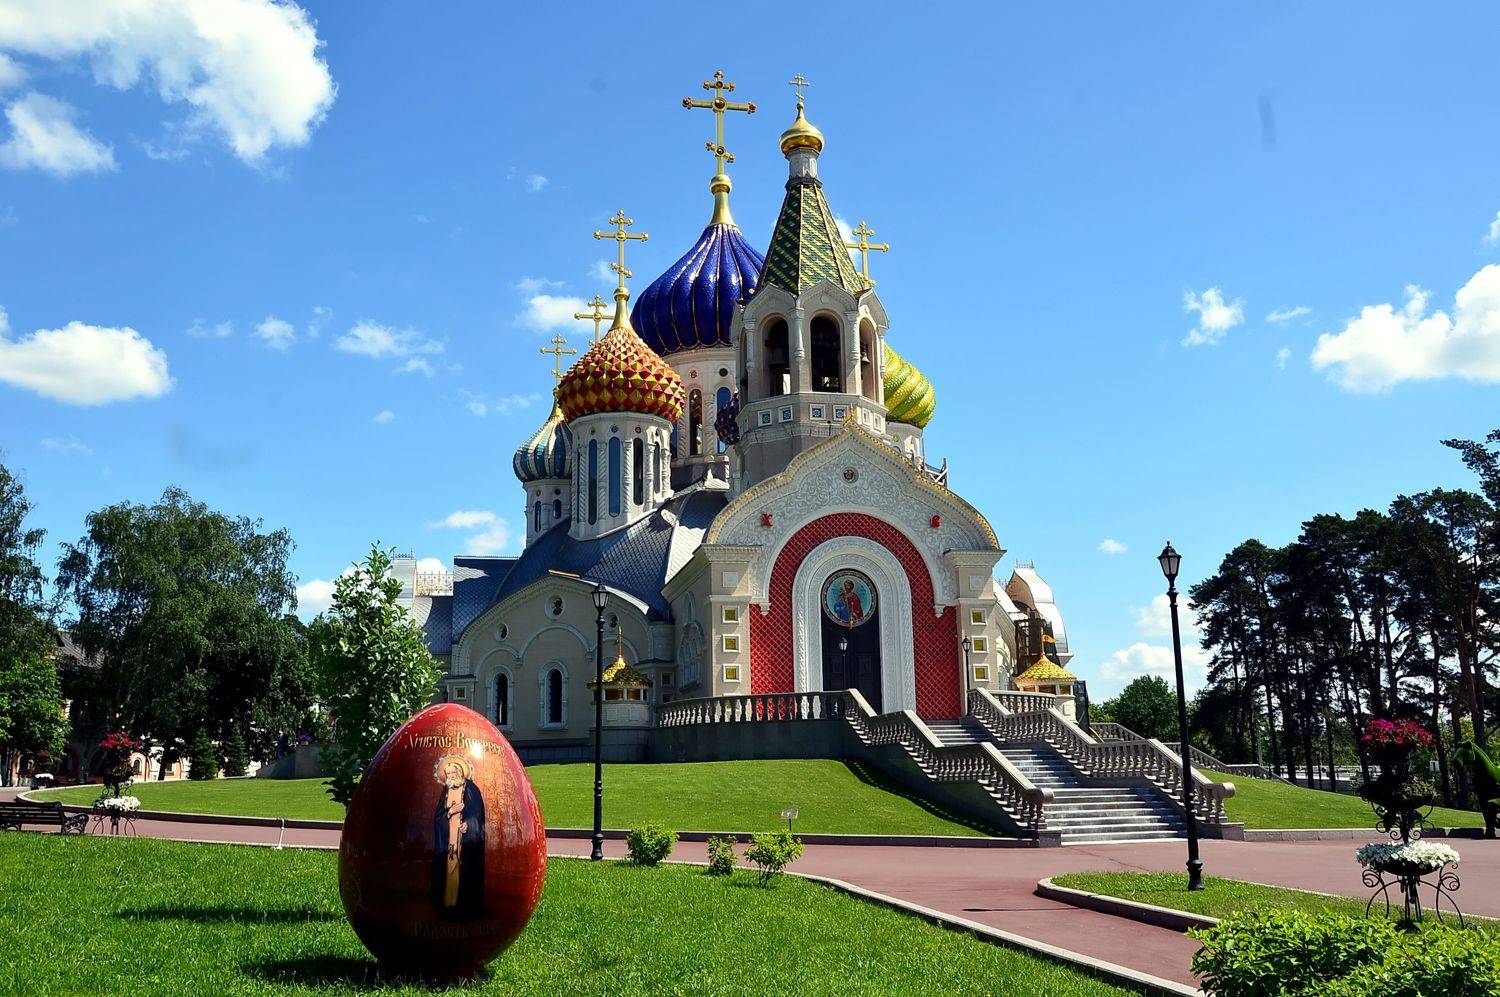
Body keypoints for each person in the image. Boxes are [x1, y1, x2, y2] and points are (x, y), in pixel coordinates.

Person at [431, 756, 486, 918]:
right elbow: (438, 817)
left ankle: (465, 907)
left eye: (453, 773)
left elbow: (477, 814)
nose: (450, 776)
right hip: (449, 839)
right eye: (448, 774)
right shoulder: (446, 791)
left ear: (460, 772)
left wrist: (468, 825)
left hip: (464, 839)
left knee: (464, 869)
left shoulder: (471, 789)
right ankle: (448, 906)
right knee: (449, 868)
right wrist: (450, 812)